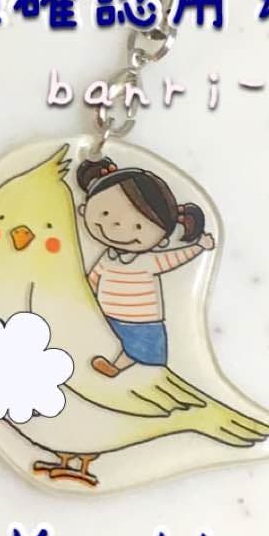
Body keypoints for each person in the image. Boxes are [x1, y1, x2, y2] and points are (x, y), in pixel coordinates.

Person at [76, 157, 215, 377]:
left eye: (138, 226)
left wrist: (199, 247)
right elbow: (93, 277)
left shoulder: (148, 261)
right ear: (84, 209)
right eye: (105, 213)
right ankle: (116, 368)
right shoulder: (108, 258)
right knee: (113, 341)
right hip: (108, 315)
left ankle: (125, 370)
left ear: (162, 240)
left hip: (142, 320)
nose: (116, 226)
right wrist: (84, 295)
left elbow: (175, 258)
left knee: (147, 352)